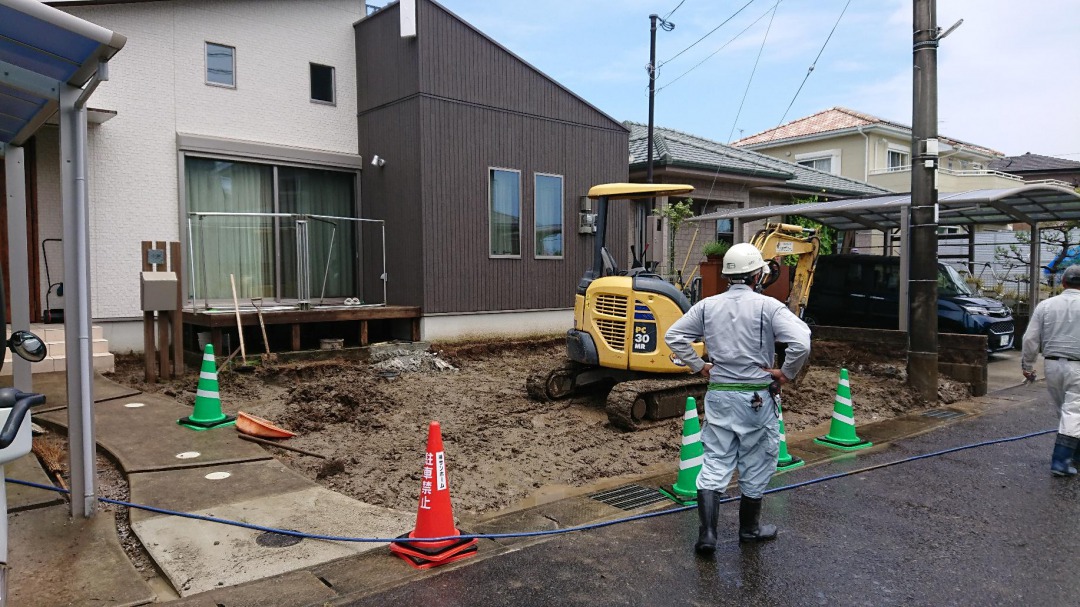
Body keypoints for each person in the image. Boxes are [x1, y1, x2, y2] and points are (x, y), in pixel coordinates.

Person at [665, 243, 811, 554]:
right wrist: (785, 373)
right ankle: (749, 529)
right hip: (755, 397)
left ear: (728, 275)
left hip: (719, 395)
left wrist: (698, 365)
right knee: (756, 460)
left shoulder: (708, 305)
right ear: (758, 274)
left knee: (716, 461)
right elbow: (801, 341)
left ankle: (707, 535)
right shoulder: (768, 307)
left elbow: (673, 336)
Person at [1021, 264, 1080, 477]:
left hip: (1052, 365)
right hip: (1078, 366)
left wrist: (1027, 366)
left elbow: (1030, 339)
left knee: (1064, 409)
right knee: (1074, 411)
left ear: (1063, 283)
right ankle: (1061, 461)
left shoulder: (1046, 305)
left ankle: (1075, 454)